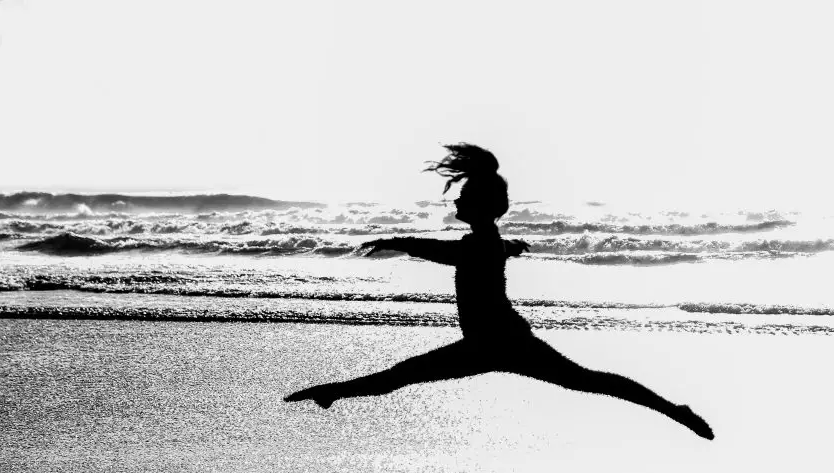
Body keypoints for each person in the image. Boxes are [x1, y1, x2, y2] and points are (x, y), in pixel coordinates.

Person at [285, 143, 714, 440]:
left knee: (587, 382)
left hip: (498, 343)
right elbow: (493, 248)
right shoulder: (490, 240)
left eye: (463, 199)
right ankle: (332, 392)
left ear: (484, 208)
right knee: (586, 381)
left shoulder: (477, 244)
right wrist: (515, 246)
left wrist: (399, 241)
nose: (455, 205)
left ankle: (675, 411)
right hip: (494, 341)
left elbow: (449, 253)